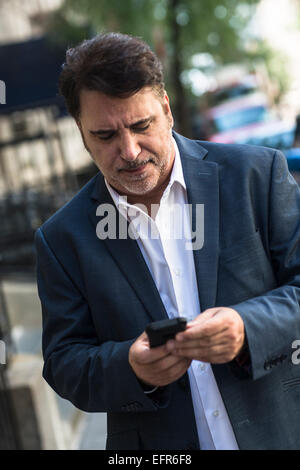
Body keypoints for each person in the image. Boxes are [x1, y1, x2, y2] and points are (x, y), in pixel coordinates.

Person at [35, 32, 300, 450]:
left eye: (142, 126)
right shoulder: (60, 239)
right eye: (105, 136)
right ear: (82, 134)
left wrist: (248, 329)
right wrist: (131, 367)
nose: (130, 150)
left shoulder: (257, 175)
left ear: (167, 110)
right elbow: (64, 363)